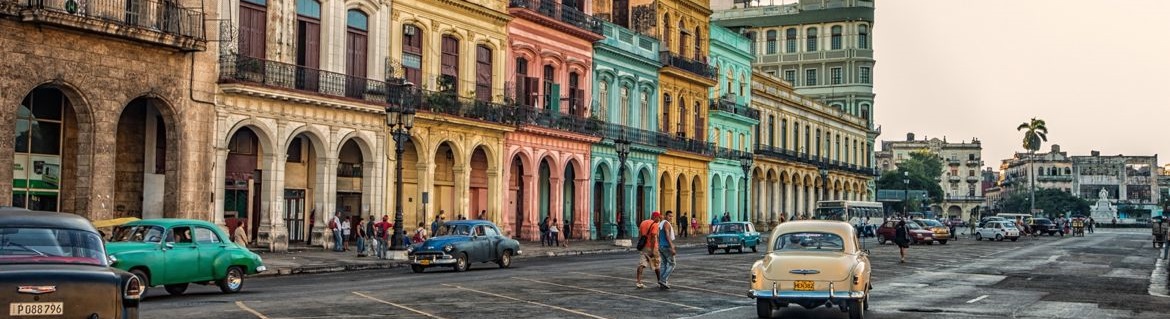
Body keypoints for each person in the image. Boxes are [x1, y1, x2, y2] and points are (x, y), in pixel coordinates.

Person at [636, 212, 663, 289]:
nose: (659, 219)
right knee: (656, 265)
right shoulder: (655, 224)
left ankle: (639, 282)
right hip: (652, 248)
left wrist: (641, 244)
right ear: (655, 217)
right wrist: (652, 250)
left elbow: (640, 235)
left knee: (641, 264)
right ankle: (659, 281)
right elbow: (653, 237)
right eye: (659, 218)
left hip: (644, 247)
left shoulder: (643, 223)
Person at [658, 211, 677, 289]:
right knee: (672, 264)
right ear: (665, 216)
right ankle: (663, 280)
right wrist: (672, 246)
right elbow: (667, 235)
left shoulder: (661, 224)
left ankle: (663, 282)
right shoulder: (666, 224)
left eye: (671, 216)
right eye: (669, 216)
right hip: (666, 246)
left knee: (664, 264)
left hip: (661, 246)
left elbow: (659, 235)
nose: (671, 218)